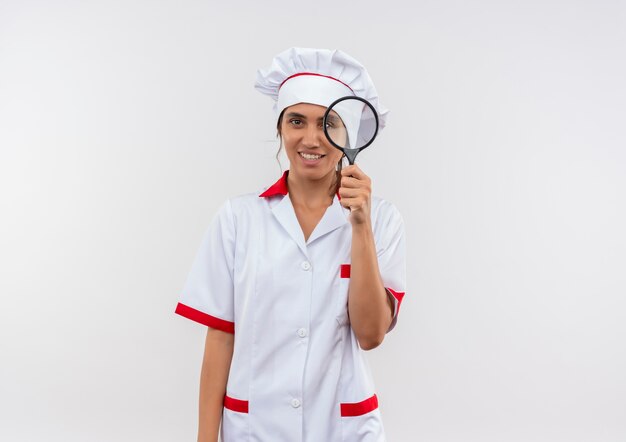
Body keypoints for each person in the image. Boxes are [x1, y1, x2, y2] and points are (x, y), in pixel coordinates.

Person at [175, 47, 407, 442]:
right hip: (254, 426)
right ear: (281, 128)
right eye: (296, 120)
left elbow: (370, 335)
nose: (310, 138)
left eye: (328, 123)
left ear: (347, 134)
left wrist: (361, 225)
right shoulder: (238, 219)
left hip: (341, 427)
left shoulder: (383, 220)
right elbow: (221, 337)